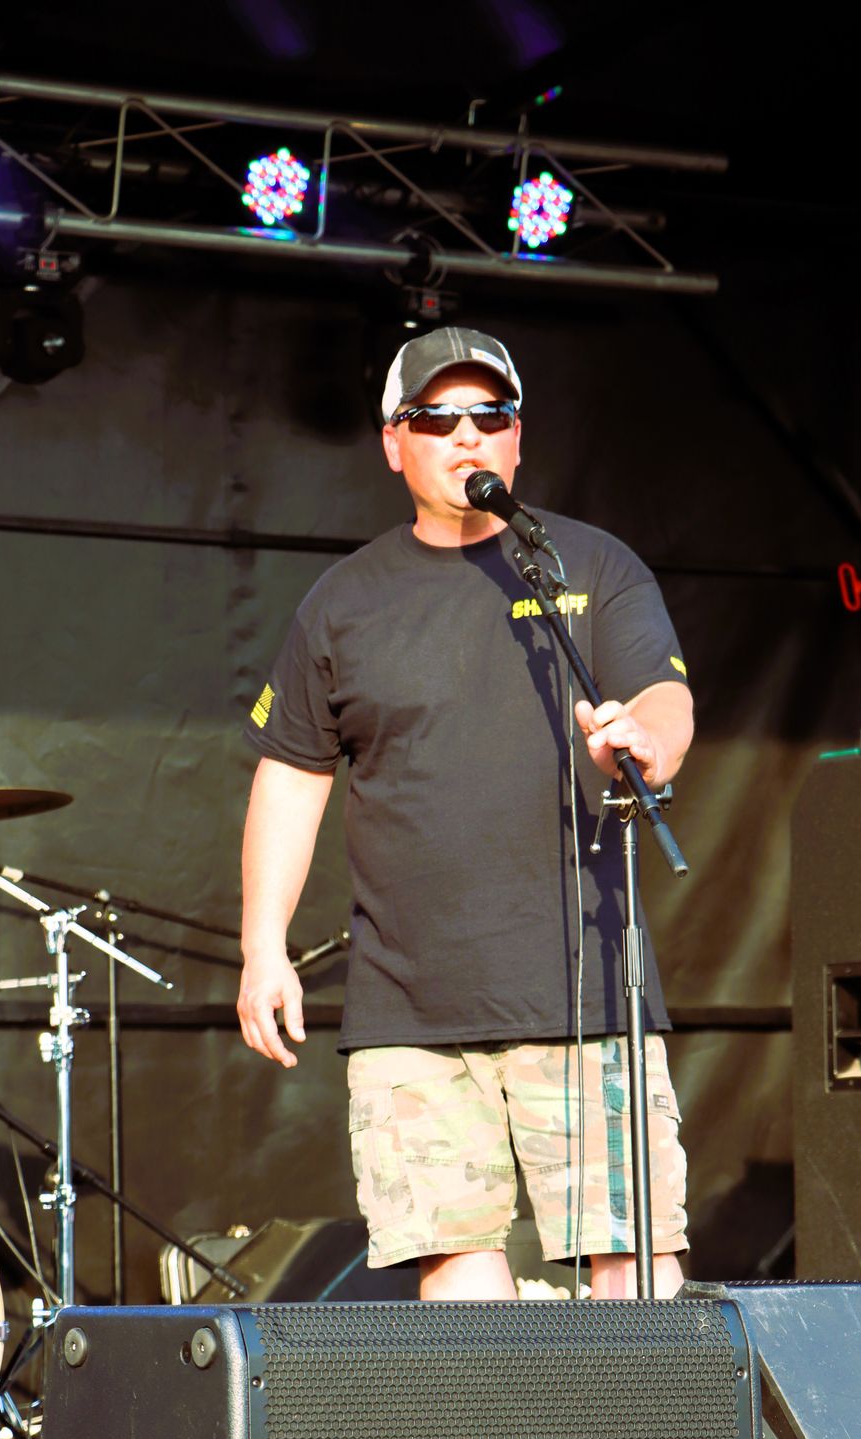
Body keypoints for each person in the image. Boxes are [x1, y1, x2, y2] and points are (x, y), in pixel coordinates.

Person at [238, 326, 693, 1301]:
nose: (466, 435)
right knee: (456, 1269)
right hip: (411, 1005)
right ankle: (499, 1419)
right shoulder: (343, 602)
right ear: (393, 443)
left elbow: (663, 695)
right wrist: (262, 946)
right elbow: (291, 773)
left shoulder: (590, 565)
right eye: (436, 418)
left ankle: (637, 1417)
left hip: (584, 986)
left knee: (634, 1260)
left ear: (518, 436)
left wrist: (649, 742)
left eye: (489, 414)